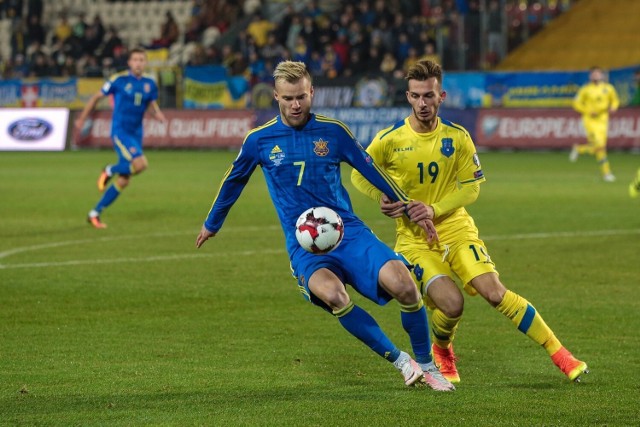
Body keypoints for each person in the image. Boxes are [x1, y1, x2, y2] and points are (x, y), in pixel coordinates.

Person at [195, 60, 454, 391]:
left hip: (349, 231)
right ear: (275, 96)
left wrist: (412, 210)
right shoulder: (259, 140)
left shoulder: (334, 132)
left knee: (404, 284)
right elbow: (234, 181)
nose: (296, 104)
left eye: (301, 96)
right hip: (305, 245)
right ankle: (403, 362)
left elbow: (373, 170)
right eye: (288, 98)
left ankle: (429, 366)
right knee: (334, 295)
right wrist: (212, 223)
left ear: (312, 92)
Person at [351, 59, 589, 384]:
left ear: (442, 96)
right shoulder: (389, 139)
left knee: (494, 292)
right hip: (416, 243)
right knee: (451, 304)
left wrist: (434, 209)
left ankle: (561, 354)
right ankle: (443, 349)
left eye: (429, 96)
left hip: (458, 230)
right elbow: (357, 174)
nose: (423, 103)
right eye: (417, 96)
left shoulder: (458, 137)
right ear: (408, 96)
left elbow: (471, 186)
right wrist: (381, 197)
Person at [75, 47, 167, 228]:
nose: (138, 63)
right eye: (135, 60)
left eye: (142, 60)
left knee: (124, 180)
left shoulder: (150, 83)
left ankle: (94, 213)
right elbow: (96, 97)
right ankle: (109, 169)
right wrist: (82, 118)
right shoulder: (119, 80)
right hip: (121, 131)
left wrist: (157, 114)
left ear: (145, 63)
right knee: (141, 164)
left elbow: (149, 102)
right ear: (129, 63)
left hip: (136, 133)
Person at [570, 66, 620, 182]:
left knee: (599, 147)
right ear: (590, 76)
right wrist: (587, 111)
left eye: (597, 74)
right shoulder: (585, 89)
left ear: (602, 75)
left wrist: (613, 107)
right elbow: (576, 103)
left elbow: (615, 100)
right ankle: (607, 173)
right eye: (593, 74)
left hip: (603, 121)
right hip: (590, 121)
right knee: (599, 146)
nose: (595, 76)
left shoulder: (609, 88)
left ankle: (579, 149)